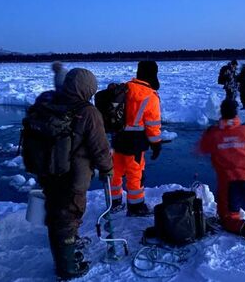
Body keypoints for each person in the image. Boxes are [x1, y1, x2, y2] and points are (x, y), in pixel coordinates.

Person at [33, 68, 113, 280]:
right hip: (73, 175)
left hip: (49, 172)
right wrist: (107, 168)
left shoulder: (50, 103)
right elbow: (99, 147)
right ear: (87, 88)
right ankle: (68, 267)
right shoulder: (88, 112)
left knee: (56, 212)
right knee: (68, 215)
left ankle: (67, 246)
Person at [198, 99, 245, 251]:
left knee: (229, 218)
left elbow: (201, 149)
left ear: (221, 113)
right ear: (236, 113)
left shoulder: (214, 134)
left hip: (230, 183)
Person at [111, 60, 163, 216]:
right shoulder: (150, 96)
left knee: (116, 171)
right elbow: (152, 126)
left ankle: (115, 202)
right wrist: (156, 145)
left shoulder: (125, 88)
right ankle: (136, 206)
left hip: (118, 138)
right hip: (135, 143)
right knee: (135, 174)